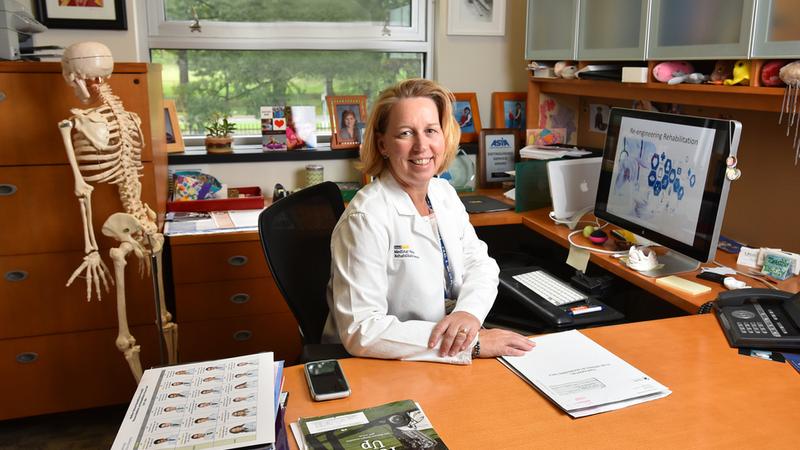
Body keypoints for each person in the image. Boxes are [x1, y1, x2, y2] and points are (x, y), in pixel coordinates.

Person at [321, 78, 535, 363]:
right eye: (406, 133)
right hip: (380, 363)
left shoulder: (442, 192)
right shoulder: (366, 218)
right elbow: (362, 331)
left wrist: (468, 313)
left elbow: (479, 263)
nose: (422, 146)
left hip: (441, 348)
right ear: (383, 144)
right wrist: (473, 343)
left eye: (431, 131)